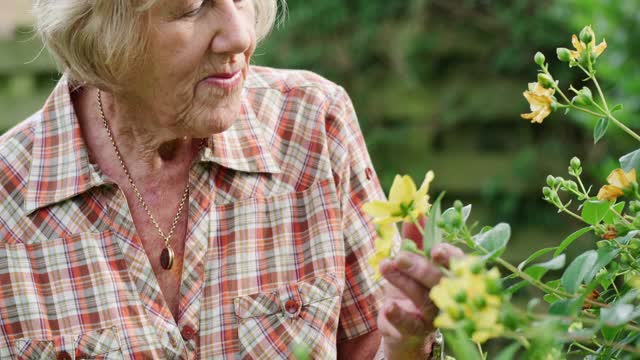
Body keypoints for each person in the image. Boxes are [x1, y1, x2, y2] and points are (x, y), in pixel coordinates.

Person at [0, 0, 462, 358]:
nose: (240, 35)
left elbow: (370, 349)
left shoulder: (314, 126)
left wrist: (408, 343)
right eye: (191, 8)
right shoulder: (9, 199)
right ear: (101, 31)